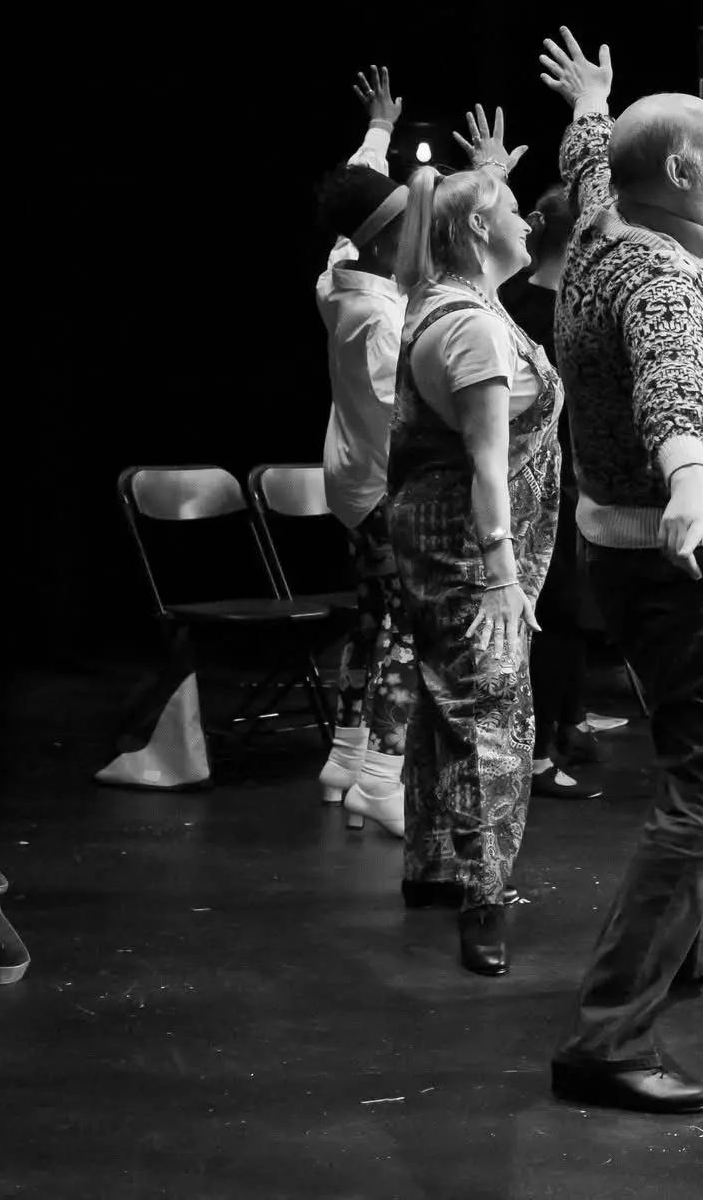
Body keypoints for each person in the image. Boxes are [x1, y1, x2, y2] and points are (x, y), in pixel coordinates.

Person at [539, 27, 703, 1117]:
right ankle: (607, 1037)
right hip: (690, 562)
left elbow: (594, 169)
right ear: (684, 170)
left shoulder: (609, 225)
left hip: (649, 549)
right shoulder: (658, 280)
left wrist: (590, 110)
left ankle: (686, 943)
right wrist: (691, 479)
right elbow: (672, 388)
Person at [386, 105, 559, 978]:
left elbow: (460, 234)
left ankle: (434, 868)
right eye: (516, 212)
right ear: (482, 230)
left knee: (445, 702)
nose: (532, 223)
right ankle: (484, 899)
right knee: (493, 715)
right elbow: (488, 464)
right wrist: (500, 574)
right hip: (467, 547)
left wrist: (489, 177)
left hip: (442, 537)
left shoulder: (451, 297)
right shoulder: (472, 326)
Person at [315, 65, 422, 836]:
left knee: (371, 615)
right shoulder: (380, 321)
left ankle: (344, 755)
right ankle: (380, 774)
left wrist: (378, 131)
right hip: (382, 482)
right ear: (385, 243)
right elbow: (406, 415)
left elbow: (357, 192)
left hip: (350, 476)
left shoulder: (337, 276)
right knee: (406, 623)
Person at [498, 177, 604, 803]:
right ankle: (535, 753)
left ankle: (567, 725)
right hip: (542, 480)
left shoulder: (528, 301)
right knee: (555, 613)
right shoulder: (547, 312)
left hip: (559, 477)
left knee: (570, 612)